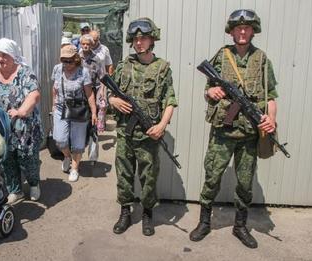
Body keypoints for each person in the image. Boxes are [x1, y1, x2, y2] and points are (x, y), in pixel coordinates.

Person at [189, 9, 278, 249]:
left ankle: (240, 226)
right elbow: (208, 88)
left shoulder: (262, 59)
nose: (242, 31)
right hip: (222, 133)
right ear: (231, 32)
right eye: (238, 28)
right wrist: (211, 92)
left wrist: (271, 120)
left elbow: (271, 96)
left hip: (249, 135)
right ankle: (205, 222)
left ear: (253, 31)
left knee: (245, 183)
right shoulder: (222, 55)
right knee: (212, 177)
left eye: (247, 27)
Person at [108, 17, 177, 236]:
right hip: (125, 133)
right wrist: (112, 100)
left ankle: (147, 213)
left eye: (144, 38)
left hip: (149, 135)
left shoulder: (162, 68)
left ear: (152, 40)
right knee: (124, 174)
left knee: (149, 177)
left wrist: (162, 126)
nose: (139, 43)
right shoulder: (123, 65)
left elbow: (170, 101)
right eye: (136, 39)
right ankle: (125, 212)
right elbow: (110, 92)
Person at [0, 38, 44, 203]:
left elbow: (34, 94)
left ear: (13, 56)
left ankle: (34, 184)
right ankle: (15, 190)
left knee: (28, 157)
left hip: (25, 127)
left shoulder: (25, 73)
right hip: (3, 127)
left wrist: (21, 111)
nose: (0, 59)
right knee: (7, 159)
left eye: (4, 55)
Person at [52, 44, 97, 182]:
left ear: (76, 59)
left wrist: (94, 112)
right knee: (59, 139)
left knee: (77, 142)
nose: (66, 64)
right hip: (61, 108)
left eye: (69, 61)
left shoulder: (83, 72)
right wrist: (53, 106)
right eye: (63, 60)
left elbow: (89, 94)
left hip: (79, 109)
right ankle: (67, 156)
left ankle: (75, 168)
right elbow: (54, 89)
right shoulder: (57, 69)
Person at [79, 34, 107, 165]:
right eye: (83, 44)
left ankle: (92, 157)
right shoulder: (76, 58)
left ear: (91, 45)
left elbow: (102, 78)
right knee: (78, 126)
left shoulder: (97, 59)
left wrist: (101, 94)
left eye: (88, 44)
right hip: (78, 97)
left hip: (93, 96)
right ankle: (74, 157)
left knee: (93, 126)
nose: (85, 46)